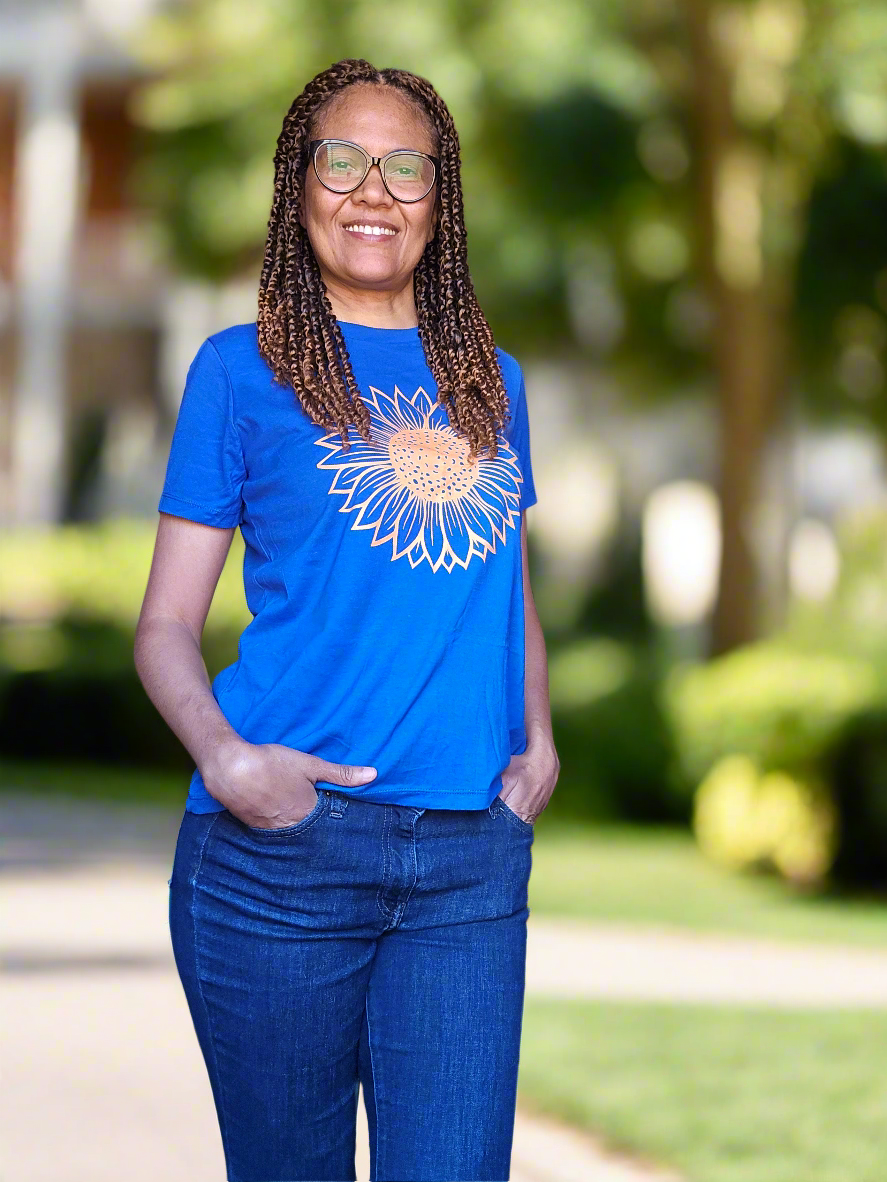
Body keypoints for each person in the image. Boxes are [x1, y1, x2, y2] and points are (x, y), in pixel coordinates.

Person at [134, 57, 560, 1182]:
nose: (374, 191)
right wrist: (228, 761)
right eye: (343, 160)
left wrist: (538, 738)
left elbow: (503, 578)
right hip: (282, 855)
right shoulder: (240, 372)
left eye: (405, 167)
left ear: (439, 198)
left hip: (468, 866)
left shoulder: (491, 378)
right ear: (298, 183)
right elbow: (165, 626)